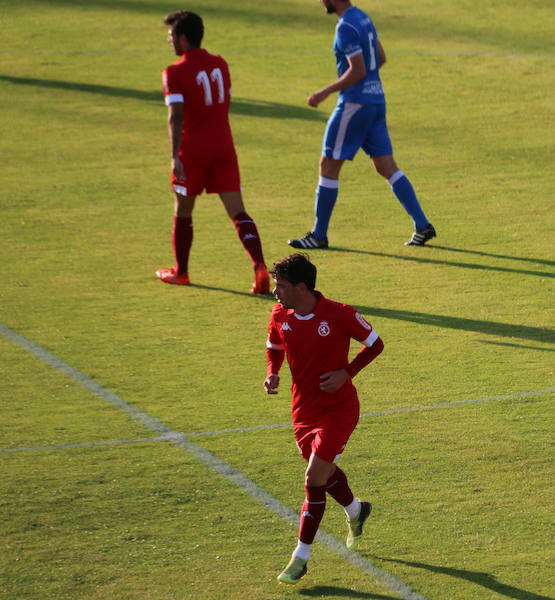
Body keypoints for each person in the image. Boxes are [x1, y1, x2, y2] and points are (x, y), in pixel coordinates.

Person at [264, 253, 384, 584]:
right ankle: (357, 510)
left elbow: (375, 344)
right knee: (324, 471)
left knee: (313, 479)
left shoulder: (340, 314)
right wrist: (272, 373)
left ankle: (299, 558)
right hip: (303, 409)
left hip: (339, 410)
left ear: (301, 287)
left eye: (282, 286)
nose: (276, 292)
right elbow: (274, 345)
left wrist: (347, 373)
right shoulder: (280, 313)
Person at [288, 0, 436, 250]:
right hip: (376, 101)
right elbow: (380, 57)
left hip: (354, 104)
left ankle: (318, 235)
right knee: (386, 166)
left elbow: (357, 70)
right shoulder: (363, 18)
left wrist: (324, 92)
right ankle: (422, 225)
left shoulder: (345, 26)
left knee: (329, 164)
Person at [157, 10, 270, 294]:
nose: (169, 42)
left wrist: (174, 156)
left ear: (183, 39)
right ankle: (259, 267)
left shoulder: (174, 72)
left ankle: (181, 272)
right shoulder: (220, 64)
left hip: (192, 150)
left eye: (171, 36)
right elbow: (225, 101)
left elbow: (176, 116)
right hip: (223, 145)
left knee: (183, 211)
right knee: (238, 211)